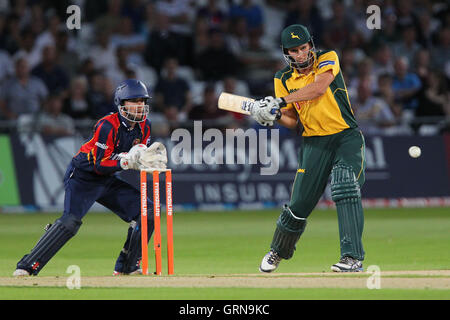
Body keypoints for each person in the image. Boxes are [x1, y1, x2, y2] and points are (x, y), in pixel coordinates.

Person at [13, 79, 168, 277]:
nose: (140, 106)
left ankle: (127, 268)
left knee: (149, 211)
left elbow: (133, 157)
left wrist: (144, 162)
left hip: (108, 180)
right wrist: (127, 162)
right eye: (134, 101)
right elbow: (99, 164)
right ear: (121, 104)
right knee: (70, 223)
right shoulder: (106, 125)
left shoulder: (145, 126)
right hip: (82, 177)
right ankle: (26, 267)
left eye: (142, 101)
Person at [249, 24, 366, 273]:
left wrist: (279, 101)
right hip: (313, 143)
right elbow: (293, 121)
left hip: (345, 136)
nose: (301, 54)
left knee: (345, 184)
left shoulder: (327, 58)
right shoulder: (282, 78)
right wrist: (274, 115)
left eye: (304, 47)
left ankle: (352, 257)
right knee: (299, 204)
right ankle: (277, 251)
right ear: (286, 53)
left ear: (311, 45)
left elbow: (318, 88)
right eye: (295, 50)